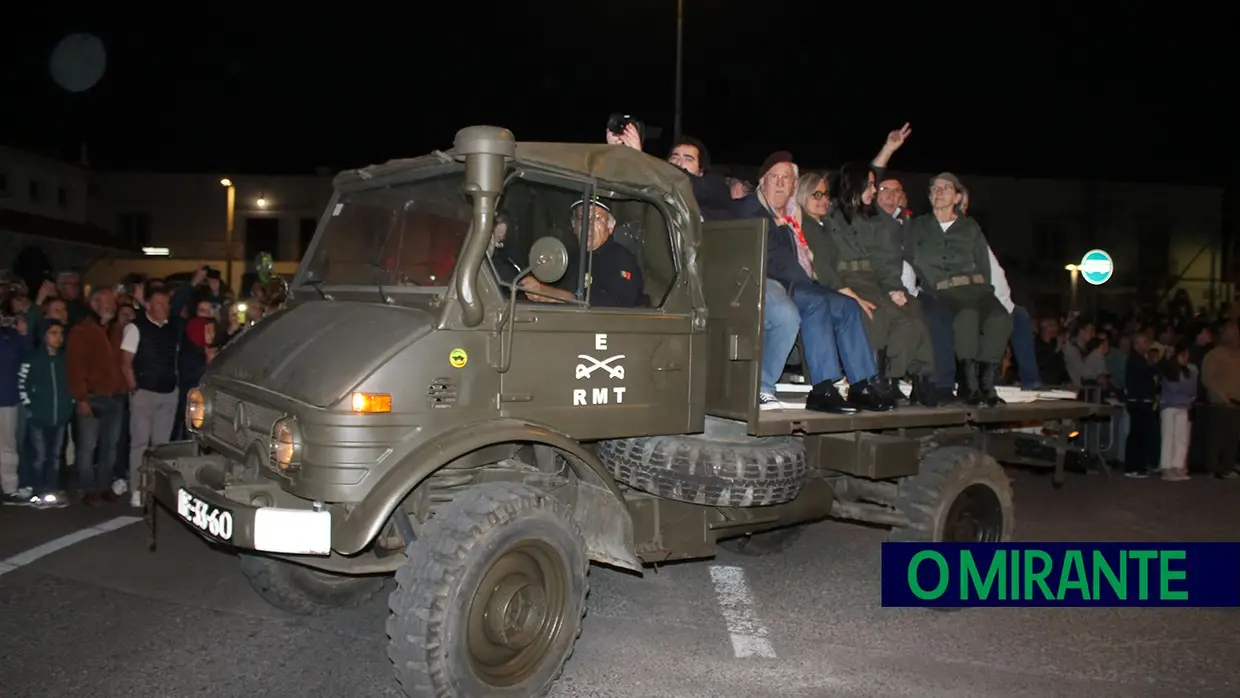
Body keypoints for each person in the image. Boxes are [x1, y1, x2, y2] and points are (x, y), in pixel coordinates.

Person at [735, 151, 892, 413]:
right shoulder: (748, 208)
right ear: (762, 180)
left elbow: (851, 204)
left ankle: (862, 384)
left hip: (801, 284)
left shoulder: (793, 216)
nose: (781, 183)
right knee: (817, 303)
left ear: (794, 186)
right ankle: (824, 387)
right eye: (775, 177)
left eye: (787, 179)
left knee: (847, 307)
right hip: (772, 282)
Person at [800, 166, 936, 406]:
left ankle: (906, 378)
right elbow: (822, 258)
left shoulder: (873, 219)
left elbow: (884, 259)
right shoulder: (831, 214)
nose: (874, 190)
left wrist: (893, 287)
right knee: (876, 316)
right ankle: (874, 381)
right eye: (871, 184)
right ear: (855, 184)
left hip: (871, 280)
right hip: (846, 280)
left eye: (875, 184)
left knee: (912, 315)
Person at [908, 173, 1013, 407]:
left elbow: (984, 262)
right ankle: (969, 384)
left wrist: (991, 291)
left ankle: (987, 384)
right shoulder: (917, 227)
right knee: (967, 316)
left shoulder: (969, 226)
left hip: (976, 287)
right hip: (945, 291)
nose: (939, 192)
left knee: (1000, 318)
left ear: (957, 197)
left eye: (945, 188)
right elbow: (907, 258)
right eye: (934, 188)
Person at [518, 200, 644, 308]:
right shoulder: (569, 259)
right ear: (574, 226)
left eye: (596, 218)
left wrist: (547, 293)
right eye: (582, 218)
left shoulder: (621, 260)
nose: (587, 225)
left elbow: (614, 306)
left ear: (610, 226)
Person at [121, 286, 180, 507]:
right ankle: (137, 489)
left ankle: (155, 489)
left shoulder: (171, 328)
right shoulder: (135, 329)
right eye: (159, 304)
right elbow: (125, 363)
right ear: (147, 305)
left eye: (166, 304)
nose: (163, 308)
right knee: (140, 444)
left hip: (168, 392)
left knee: (160, 447)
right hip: (144, 392)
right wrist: (134, 387)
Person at [18, 319, 73, 508]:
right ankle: (38, 491)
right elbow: (22, 384)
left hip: (60, 417)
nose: (58, 338)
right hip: (39, 417)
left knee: (56, 455)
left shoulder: (65, 359)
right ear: (44, 335)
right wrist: (31, 406)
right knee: (39, 455)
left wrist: (69, 404)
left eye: (60, 334)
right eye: (53, 333)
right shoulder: (33, 359)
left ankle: (53, 491)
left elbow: (71, 384)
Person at [1157, 341, 1196, 481]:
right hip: (1169, 406)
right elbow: (1174, 389)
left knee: (1181, 438)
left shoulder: (1188, 372)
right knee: (1168, 437)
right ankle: (1166, 467)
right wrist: (1183, 389)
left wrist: (1182, 389)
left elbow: (1191, 390)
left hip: (1182, 406)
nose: (1186, 359)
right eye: (1183, 355)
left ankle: (1178, 466)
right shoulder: (1168, 371)